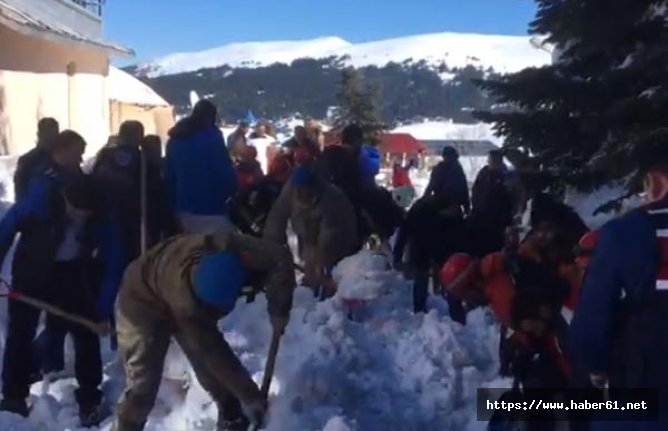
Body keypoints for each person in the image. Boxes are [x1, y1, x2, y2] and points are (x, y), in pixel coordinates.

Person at [110, 229, 296, 431]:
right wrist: (250, 395)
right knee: (143, 385)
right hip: (139, 301)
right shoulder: (187, 305)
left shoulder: (231, 246)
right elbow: (212, 350)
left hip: (167, 277)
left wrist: (279, 308)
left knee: (207, 367)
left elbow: (280, 258)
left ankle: (232, 415)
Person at [0, 131, 105, 426]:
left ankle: (89, 397)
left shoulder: (82, 183)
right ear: (62, 150)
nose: (82, 158)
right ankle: (13, 396)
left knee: (85, 332)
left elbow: (96, 230)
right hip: (34, 271)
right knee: (21, 333)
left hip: (69, 271)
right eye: (77, 151)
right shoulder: (42, 187)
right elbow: (11, 222)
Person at [570, 148, 668, 431]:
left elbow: (592, 322)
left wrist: (595, 366)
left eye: (645, 187)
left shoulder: (625, 233)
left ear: (657, 183)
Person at [264, 164, 358, 298]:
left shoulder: (331, 199)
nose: (302, 193)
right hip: (307, 232)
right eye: (299, 190)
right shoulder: (290, 192)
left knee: (327, 268)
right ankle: (311, 288)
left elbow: (328, 236)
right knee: (310, 260)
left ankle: (331, 292)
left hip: (339, 235)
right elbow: (276, 218)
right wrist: (274, 245)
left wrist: (321, 264)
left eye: (305, 190)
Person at [165, 100, 238, 234]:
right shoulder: (212, 137)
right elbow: (223, 171)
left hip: (183, 209)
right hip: (211, 207)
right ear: (211, 117)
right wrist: (233, 189)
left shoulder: (175, 139)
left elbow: (170, 177)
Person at [393, 194, 467, 317]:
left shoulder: (420, 208)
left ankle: (420, 311)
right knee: (444, 278)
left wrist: (397, 254)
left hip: (426, 246)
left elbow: (404, 231)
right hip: (430, 246)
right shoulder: (446, 215)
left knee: (423, 276)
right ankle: (455, 313)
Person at [468, 150, 516, 255]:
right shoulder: (484, 173)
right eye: (490, 160)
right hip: (480, 216)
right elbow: (475, 190)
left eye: (493, 160)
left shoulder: (506, 175)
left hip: (498, 219)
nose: (490, 162)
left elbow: (510, 195)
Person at [14, 117, 59, 201]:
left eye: (54, 134)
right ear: (39, 134)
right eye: (48, 134)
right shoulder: (27, 160)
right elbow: (20, 192)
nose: (52, 138)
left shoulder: (61, 157)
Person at [424, 146, 470, 215]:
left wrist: (425, 200)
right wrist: (467, 207)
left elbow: (431, 186)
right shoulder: (457, 169)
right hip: (453, 206)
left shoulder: (439, 169)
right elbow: (463, 189)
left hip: (440, 204)